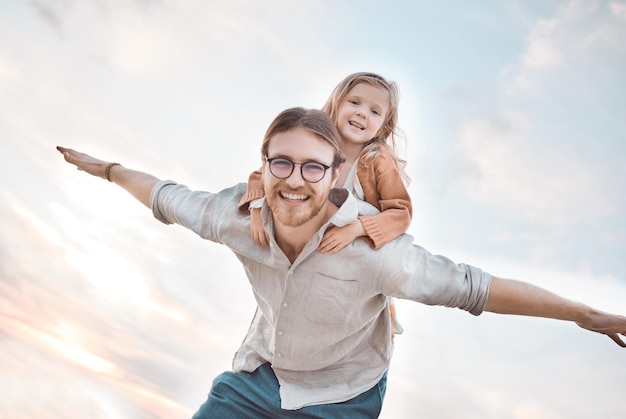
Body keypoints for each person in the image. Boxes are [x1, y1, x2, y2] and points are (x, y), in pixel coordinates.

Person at [57, 107, 626, 418]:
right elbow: (162, 193)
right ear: (264, 167)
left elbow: (477, 289)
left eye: (313, 168)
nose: (296, 181)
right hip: (259, 381)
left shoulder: (377, 255)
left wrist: (584, 314)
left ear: (335, 177)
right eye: (283, 164)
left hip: (346, 399)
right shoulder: (235, 215)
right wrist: (107, 169)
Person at [240, 72, 411, 334]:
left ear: (383, 127)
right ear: (337, 103)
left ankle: (379, 319)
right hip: (312, 242)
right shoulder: (313, 143)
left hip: (353, 245)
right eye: (354, 103)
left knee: (361, 300)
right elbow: (264, 173)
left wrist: (356, 229)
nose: (362, 113)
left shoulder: (377, 160)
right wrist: (255, 209)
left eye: (374, 111)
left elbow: (401, 212)